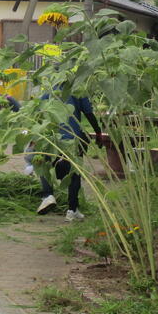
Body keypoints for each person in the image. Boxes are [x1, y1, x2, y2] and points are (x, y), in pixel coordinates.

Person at [37, 91, 102, 221]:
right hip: (72, 137)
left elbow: (39, 114)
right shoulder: (76, 90)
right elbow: (88, 113)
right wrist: (98, 132)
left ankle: (48, 195)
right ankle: (72, 210)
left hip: (52, 137)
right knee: (74, 173)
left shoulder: (49, 90)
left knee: (44, 164)